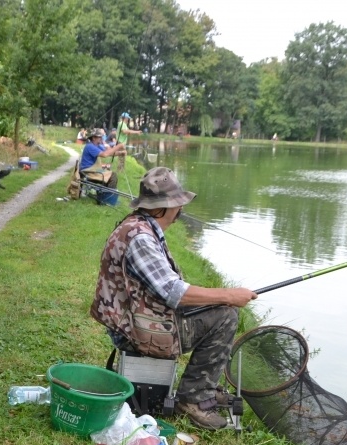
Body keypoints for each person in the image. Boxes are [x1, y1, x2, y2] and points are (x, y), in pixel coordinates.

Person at [90, 167, 258, 430]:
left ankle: (203, 388)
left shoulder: (141, 226)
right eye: (179, 203)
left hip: (137, 316)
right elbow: (173, 292)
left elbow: (167, 289)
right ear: (171, 206)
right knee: (226, 315)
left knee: (219, 306)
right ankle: (193, 399)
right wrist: (230, 295)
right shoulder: (142, 238)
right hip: (135, 329)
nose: (181, 208)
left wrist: (219, 297)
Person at [80, 128, 126, 205]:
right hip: (88, 171)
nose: (102, 139)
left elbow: (109, 152)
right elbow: (105, 155)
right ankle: (107, 199)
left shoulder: (97, 145)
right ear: (94, 138)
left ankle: (104, 196)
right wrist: (118, 146)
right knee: (113, 176)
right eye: (100, 137)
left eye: (102, 137)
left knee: (110, 173)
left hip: (94, 170)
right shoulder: (90, 146)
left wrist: (120, 153)